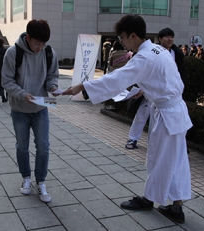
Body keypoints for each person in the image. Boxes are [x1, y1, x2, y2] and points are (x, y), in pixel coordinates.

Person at [63, 15, 192, 224]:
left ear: (133, 35)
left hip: (167, 114)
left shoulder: (144, 57)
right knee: (175, 161)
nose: (121, 42)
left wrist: (84, 86)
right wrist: (144, 89)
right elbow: (162, 78)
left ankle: (152, 200)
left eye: (123, 37)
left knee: (162, 161)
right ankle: (174, 206)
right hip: (173, 111)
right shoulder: (159, 51)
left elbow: (117, 78)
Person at [1, 19, 60, 203]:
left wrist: (52, 87)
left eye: (43, 44)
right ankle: (26, 178)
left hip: (41, 107)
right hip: (20, 108)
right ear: (28, 38)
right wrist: (23, 94)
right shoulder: (13, 53)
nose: (40, 47)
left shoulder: (49, 53)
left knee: (43, 146)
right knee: (22, 145)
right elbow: (7, 81)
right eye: (37, 43)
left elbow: (52, 75)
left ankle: (41, 181)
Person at [125, 27, 185, 150]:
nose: (170, 39)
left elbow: (180, 73)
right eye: (167, 37)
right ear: (160, 39)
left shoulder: (177, 54)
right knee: (142, 114)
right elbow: (142, 72)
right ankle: (133, 138)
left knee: (163, 120)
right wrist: (142, 89)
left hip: (168, 95)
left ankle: (170, 143)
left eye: (172, 37)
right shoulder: (152, 51)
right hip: (150, 91)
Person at [103, 40, 133, 110]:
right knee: (125, 89)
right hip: (125, 74)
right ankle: (124, 104)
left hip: (116, 74)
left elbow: (111, 64)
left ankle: (115, 103)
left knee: (116, 90)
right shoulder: (127, 53)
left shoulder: (113, 53)